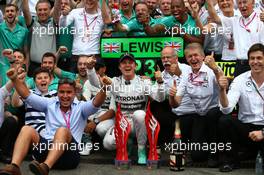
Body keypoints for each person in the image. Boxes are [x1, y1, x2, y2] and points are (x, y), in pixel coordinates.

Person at [0, 66, 108, 175]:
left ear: (74, 93)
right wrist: (14, 79)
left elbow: (97, 102)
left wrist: (104, 88)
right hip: (46, 150)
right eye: (62, 92)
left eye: (69, 92)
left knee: (62, 130)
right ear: (57, 92)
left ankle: (46, 167)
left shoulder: (81, 107)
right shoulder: (50, 103)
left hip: (69, 156)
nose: (65, 96)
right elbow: (26, 94)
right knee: (26, 129)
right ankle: (14, 166)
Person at [87, 53, 165, 164]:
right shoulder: (114, 81)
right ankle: (126, 142)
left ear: (135, 66)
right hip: (121, 123)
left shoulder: (144, 82)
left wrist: (160, 82)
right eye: (124, 63)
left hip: (139, 124)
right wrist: (90, 69)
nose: (127, 65)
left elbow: (160, 99)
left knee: (139, 114)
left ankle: (141, 149)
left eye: (130, 63)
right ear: (119, 67)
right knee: (108, 143)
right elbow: (95, 83)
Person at [170, 43, 223, 166]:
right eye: (189, 56)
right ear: (186, 59)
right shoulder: (186, 75)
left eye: (196, 55)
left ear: (203, 56)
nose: (193, 59)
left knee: (212, 115)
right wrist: (172, 97)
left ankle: (215, 155)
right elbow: (176, 104)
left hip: (216, 113)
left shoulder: (212, 69)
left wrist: (215, 69)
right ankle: (203, 150)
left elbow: (222, 85)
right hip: (199, 115)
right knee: (197, 156)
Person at [217, 43, 264, 172]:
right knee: (225, 121)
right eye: (252, 58)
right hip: (246, 130)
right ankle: (230, 161)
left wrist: (262, 133)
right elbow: (226, 109)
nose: (255, 62)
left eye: (259, 58)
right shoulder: (240, 80)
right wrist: (222, 90)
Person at [207, 0, 264, 76]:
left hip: (257, 64)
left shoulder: (261, 19)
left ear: (253, 3)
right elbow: (215, 18)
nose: (242, 5)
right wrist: (209, 2)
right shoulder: (235, 21)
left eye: (245, 2)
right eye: (239, 3)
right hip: (239, 66)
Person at [12, 67, 57, 138]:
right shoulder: (29, 93)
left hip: (52, 129)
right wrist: (19, 84)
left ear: (50, 80)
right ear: (34, 81)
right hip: (33, 131)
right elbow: (15, 103)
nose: (43, 80)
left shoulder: (56, 94)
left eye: (45, 77)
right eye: (39, 78)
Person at [22, 0, 57, 77]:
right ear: (36, 11)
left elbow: (57, 8)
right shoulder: (33, 24)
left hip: (51, 67)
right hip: (34, 67)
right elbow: (25, 10)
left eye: (45, 9)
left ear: (50, 10)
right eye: (40, 10)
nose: (42, 12)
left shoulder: (54, 23)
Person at [0, 3, 29, 86]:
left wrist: (26, 67)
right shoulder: (0, 28)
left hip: (19, 66)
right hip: (4, 66)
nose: (9, 13)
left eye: (12, 11)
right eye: (7, 11)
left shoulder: (24, 31)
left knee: (18, 92)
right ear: (4, 14)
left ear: (17, 13)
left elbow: (26, 51)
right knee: (5, 94)